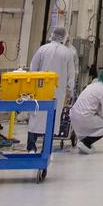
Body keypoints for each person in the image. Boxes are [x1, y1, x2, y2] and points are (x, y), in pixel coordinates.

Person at [27, 24, 75, 153]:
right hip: (58, 90)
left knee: (36, 116)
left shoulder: (42, 49)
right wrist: (71, 91)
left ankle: (31, 147)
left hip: (40, 88)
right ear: (64, 37)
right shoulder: (67, 52)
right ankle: (46, 148)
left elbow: (33, 68)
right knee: (52, 118)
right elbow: (71, 74)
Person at [70, 68, 103, 153]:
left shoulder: (91, 86)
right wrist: (101, 115)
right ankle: (86, 142)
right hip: (84, 117)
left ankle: (84, 141)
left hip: (73, 115)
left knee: (92, 122)